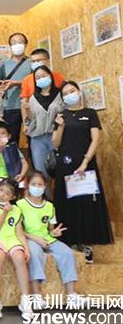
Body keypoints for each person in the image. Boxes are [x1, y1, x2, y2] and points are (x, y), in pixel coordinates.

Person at [52, 81, 113, 262]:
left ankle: (87, 244)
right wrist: (60, 126)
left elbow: (95, 139)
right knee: (68, 204)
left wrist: (85, 162)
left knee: (87, 203)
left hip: (86, 165)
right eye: (65, 93)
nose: (69, 95)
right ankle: (70, 242)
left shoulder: (90, 113)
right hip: (65, 165)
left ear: (79, 92)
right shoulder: (61, 115)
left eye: (72, 91)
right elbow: (55, 143)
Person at [18, 171, 85, 310]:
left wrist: (54, 233)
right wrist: (36, 239)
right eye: (34, 184)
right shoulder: (20, 205)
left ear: (45, 187)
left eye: (40, 184)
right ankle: (37, 296)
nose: (37, 187)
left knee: (67, 253)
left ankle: (71, 295)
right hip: (30, 239)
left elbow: (50, 230)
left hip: (47, 239)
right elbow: (18, 230)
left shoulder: (49, 206)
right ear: (27, 185)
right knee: (34, 254)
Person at [0, 179, 32, 318]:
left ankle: (25, 300)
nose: (2, 194)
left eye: (7, 193)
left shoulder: (16, 210)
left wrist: (26, 248)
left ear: (13, 197)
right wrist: (4, 212)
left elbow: (19, 233)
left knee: (20, 257)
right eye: (1, 190)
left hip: (12, 239)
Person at [23, 66, 63, 183]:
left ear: (50, 76)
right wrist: (27, 111)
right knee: (41, 174)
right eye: (38, 77)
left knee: (60, 171)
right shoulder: (32, 98)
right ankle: (46, 195)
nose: (41, 79)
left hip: (56, 137)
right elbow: (30, 121)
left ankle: (60, 195)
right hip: (38, 139)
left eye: (44, 76)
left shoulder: (60, 94)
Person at [0, 32, 32, 143]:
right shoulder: (5, 64)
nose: (17, 45)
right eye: (14, 43)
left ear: (25, 44)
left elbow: (36, 82)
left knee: (32, 137)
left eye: (20, 42)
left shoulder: (32, 63)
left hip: (29, 106)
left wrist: (16, 83)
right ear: (10, 46)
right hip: (10, 106)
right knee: (11, 139)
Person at [19, 48, 65, 121]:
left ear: (48, 61)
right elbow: (24, 104)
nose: (35, 63)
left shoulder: (59, 77)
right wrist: (26, 123)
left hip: (56, 118)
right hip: (36, 119)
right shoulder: (26, 80)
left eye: (38, 60)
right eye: (33, 61)